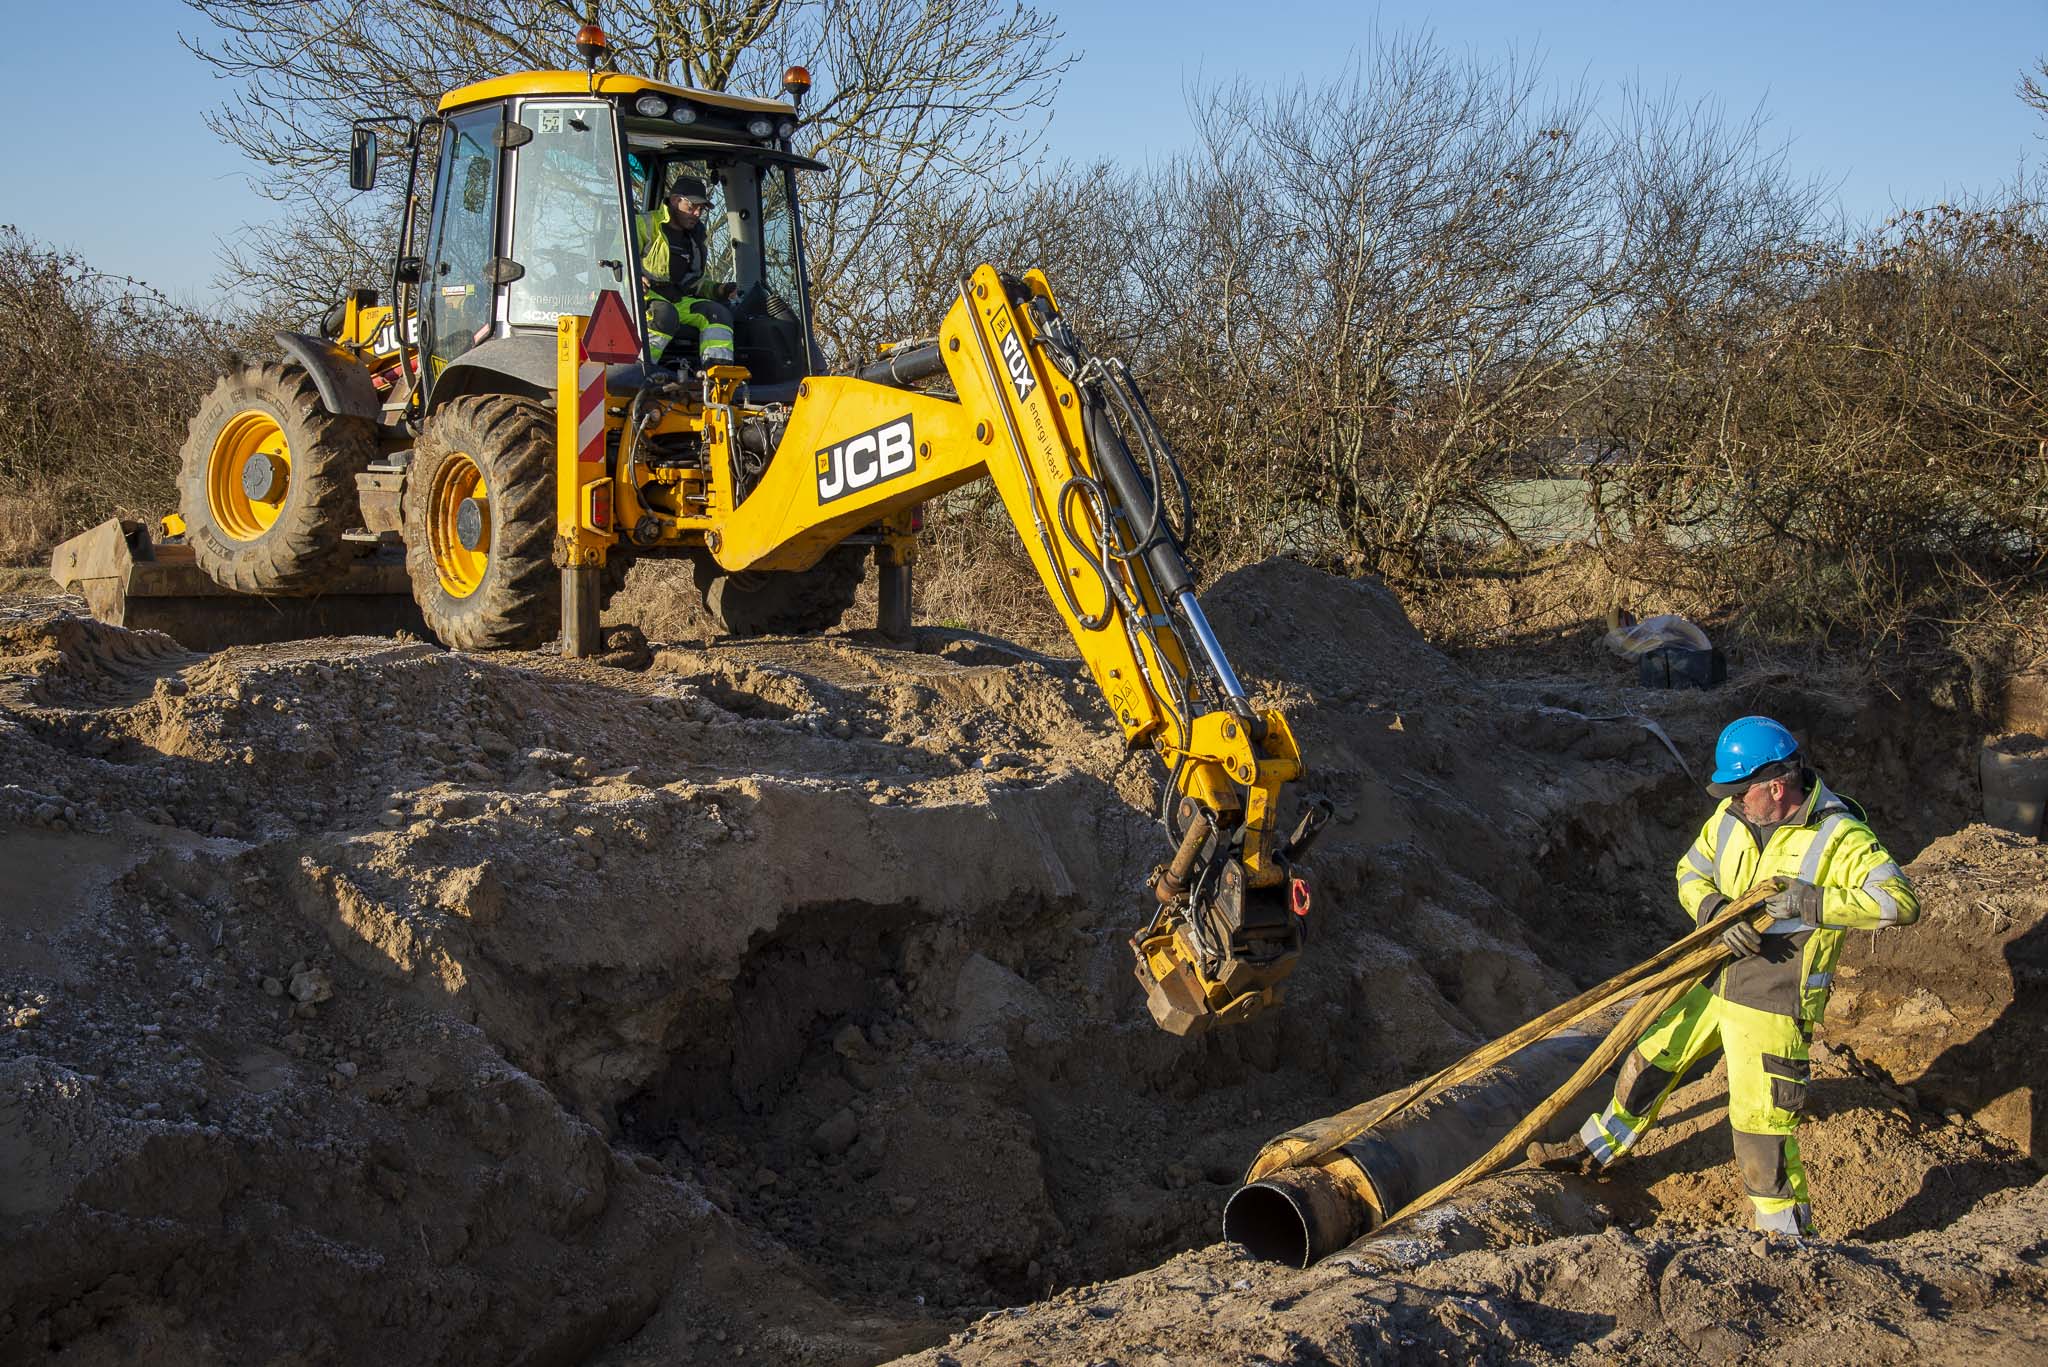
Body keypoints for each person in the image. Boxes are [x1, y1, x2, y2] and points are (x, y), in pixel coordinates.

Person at [1527, 715, 1920, 1237]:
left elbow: (1900, 903)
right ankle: (1594, 1153)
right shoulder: (1729, 819)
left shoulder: (1840, 835)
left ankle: (1785, 1242)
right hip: (1718, 971)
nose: (1732, 801)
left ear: (1775, 786)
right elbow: (1690, 872)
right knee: (1651, 1058)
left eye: (1741, 791)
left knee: (1760, 1126)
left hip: (1775, 995)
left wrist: (1815, 901)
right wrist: (1713, 911)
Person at [635, 173, 735, 369]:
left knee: (717, 313)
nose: (697, 213)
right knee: (665, 315)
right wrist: (634, 280)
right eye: (692, 207)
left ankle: (718, 379)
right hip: (644, 299)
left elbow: (693, 282)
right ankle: (639, 368)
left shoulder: (694, 239)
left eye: (701, 209)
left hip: (678, 300)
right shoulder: (644, 224)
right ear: (674, 200)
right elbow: (619, 259)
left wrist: (719, 290)